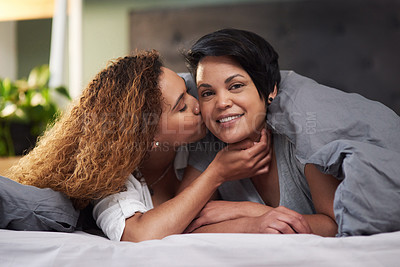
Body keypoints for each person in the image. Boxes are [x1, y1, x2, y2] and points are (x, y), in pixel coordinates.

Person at [6, 50, 273, 241]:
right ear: (145, 133)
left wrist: (251, 212)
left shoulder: (207, 134)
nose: (197, 105)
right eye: (181, 107)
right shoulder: (110, 172)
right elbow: (140, 234)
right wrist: (217, 174)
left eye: (189, 91)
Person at [181, 28, 400, 237]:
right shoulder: (212, 136)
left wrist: (248, 212)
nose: (221, 103)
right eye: (208, 92)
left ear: (270, 89)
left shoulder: (302, 131)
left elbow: (334, 226)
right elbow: (183, 224)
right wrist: (249, 221)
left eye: (236, 86)